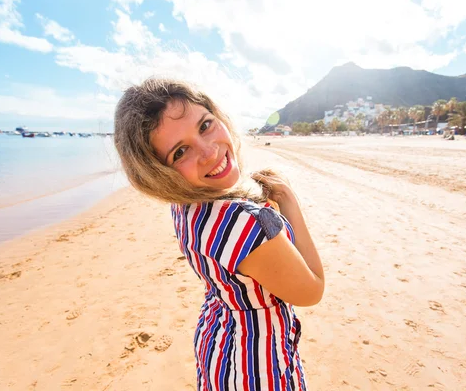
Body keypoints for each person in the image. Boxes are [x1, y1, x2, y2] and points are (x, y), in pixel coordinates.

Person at [114, 78, 324, 390]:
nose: (209, 152)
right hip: (257, 366)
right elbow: (312, 290)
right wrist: (289, 203)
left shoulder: (185, 207)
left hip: (220, 344)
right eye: (181, 151)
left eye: (205, 125)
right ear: (159, 173)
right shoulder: (247, 224)